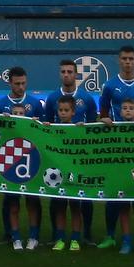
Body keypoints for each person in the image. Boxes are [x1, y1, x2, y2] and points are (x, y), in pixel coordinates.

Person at [46, 59, 99, 244]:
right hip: (57, 156)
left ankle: (86, 234)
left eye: (70, 71)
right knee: (56, 196)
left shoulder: (87, 98)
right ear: (60, 74)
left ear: (76, 74)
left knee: (83, 197)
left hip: (80, 157)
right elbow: (47, 127)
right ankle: (57, 234)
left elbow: (93, 127)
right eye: (63, 72)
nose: (66, 75)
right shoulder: (52, 98)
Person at [0, 66, 45, 250]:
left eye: (23, 83)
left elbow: (45, 132)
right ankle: (12, 236)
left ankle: (34, 236)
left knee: (33, 200)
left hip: (32, 158)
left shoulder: (35, 104)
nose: (21, 87)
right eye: (17, 84)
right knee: (11, 201)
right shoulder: (1, 104)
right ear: (10, 83)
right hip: (10, 158)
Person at [50, 94, 84, 251]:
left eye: (66, 110)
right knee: (60, 208)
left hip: (74, 174)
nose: (63, 113)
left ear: (73, 112)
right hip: (57, 174)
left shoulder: (78, 128)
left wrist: (83, 130)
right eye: (60, 110)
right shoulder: (52, 129)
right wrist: (44, 128)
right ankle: (60, 238)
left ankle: (75, 239)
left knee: (75, 207)